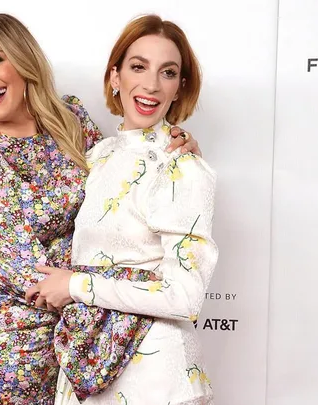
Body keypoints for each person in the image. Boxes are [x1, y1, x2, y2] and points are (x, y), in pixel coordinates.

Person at [0, 13, 202, 405]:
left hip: (82, 343)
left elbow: (117, 191)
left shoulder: (72, 119)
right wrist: (139, 287)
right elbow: (34, 279)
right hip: (12, 352)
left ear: (22, 58)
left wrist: (172, 146)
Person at [26, 14, 218, 405]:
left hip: (155, 381)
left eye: (167, 72)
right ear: (115, 77)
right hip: (90, 366)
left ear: (179, 88)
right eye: (138, 67)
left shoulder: (183, 165)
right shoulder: (99, 155)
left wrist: (75, 286)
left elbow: (185, 296)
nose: (150, 85)